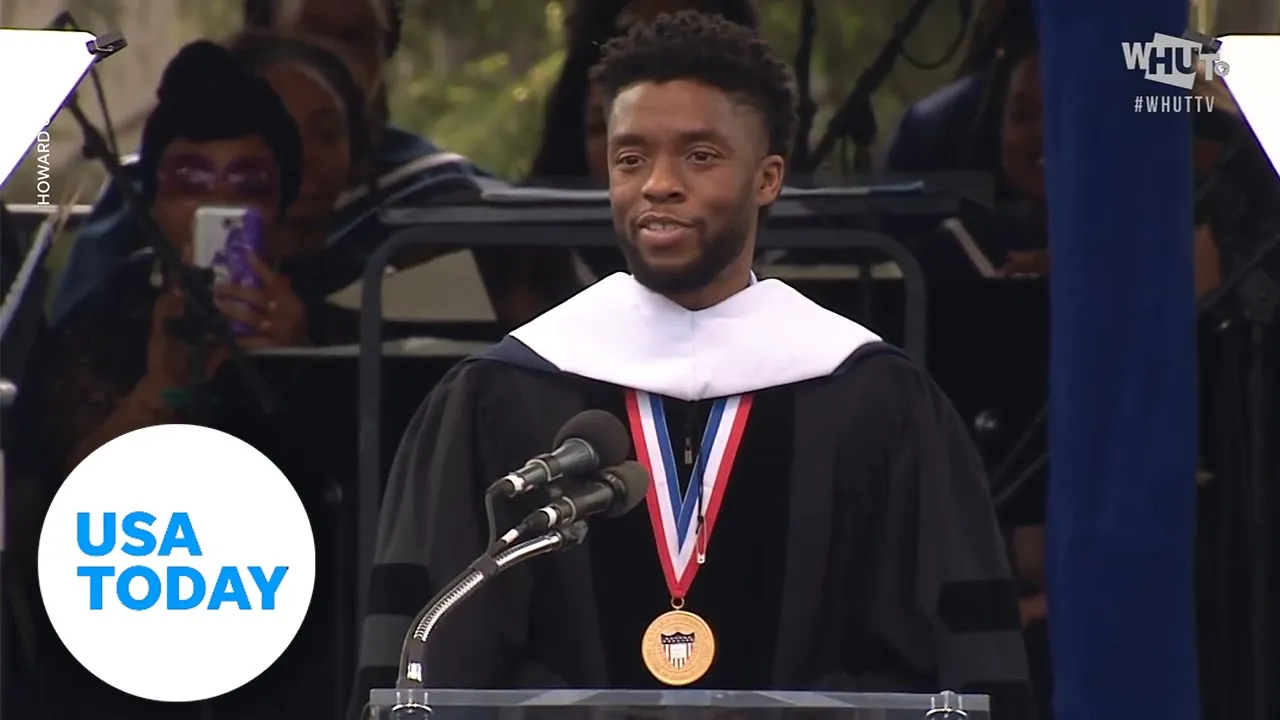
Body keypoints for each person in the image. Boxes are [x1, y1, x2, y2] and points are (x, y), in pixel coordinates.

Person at [351, 12, 1034, 720]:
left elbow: (944, 664)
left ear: (767, 178)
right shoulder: (505, 390)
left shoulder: (871, 396)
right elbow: (435, 659)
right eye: (630, 158)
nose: (659, 184)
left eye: (700, 156)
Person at [12, 40, 304, 719]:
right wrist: (157, 389)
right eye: (190, 183)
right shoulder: (99, 323)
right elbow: (50, 521)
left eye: (247, 185)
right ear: (153, 202)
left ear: (283, 201)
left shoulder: (330, 322)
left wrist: (303, 362)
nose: (216, 204)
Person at [50, 0, 489, 327]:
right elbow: (71, 337)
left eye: (360, 39)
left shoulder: (438, 189)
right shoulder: (151, 189)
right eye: (314, 33)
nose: (337, 58)